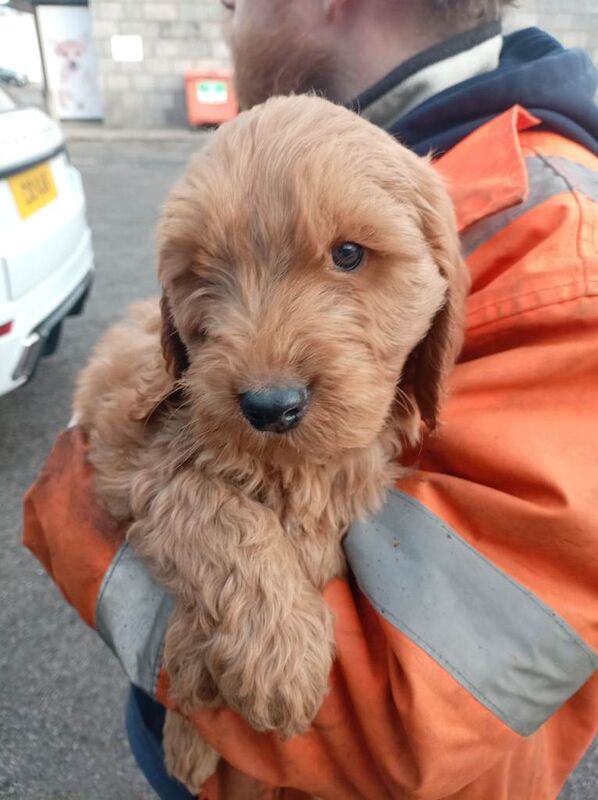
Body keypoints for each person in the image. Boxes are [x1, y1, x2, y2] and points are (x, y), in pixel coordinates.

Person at [23, 1, 598, 798]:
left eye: (231, 3)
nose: (226, 24)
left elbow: (397, 724)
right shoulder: (366, 156)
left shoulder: (563, 240)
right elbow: (145, 383)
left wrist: (77, 494)